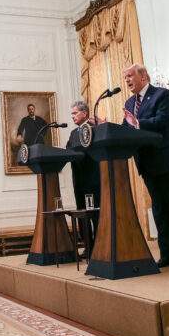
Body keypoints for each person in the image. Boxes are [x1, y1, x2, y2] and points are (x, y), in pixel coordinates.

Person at [122, 63, 169, 269]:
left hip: (168, 160)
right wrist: (105, 127)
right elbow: (127, 126)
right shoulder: (129, 102)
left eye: (130, 76)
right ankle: (166, 254)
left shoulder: (162, 95)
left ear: (143, 77)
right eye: (125, 77)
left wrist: (137, 123)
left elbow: (162, 121)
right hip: (148, 164)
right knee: (160, 211)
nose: (126, 80)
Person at [65, 100, 101, 256]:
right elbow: (69, 151)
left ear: (84, 113)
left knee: (95, 215)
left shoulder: (94, 128)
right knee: (81, 215)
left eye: (75, 113)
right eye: (71, 113)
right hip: (78, 180)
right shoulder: (73, 133)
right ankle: (88, 247)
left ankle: (100, 247)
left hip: (92, 179)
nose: (72, 116)